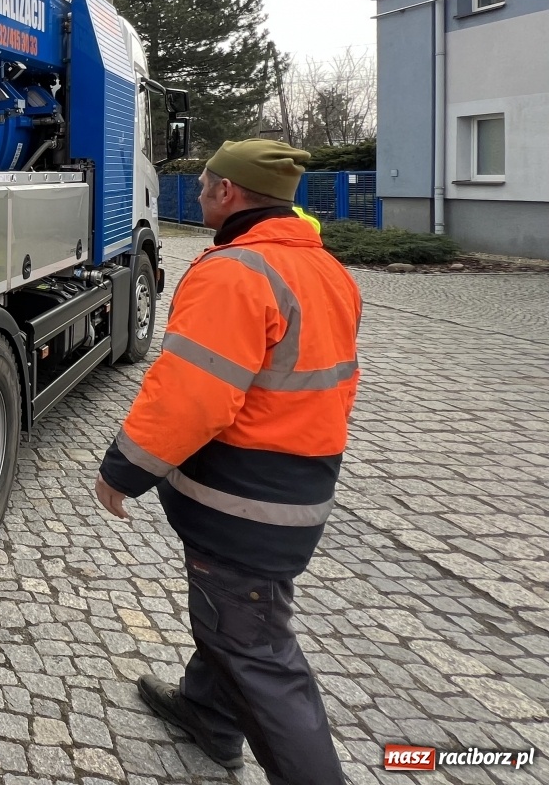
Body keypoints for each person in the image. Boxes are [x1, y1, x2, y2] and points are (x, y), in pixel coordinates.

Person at [94, 139, 361, 784]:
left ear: (228, 194)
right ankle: (209, 716)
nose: (204, 191)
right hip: (295, 484)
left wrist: (122, 471)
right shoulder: (326, 269)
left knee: (255, 649)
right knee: (235, 610)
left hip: (245, 495)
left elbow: (191, 398)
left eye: (208, 183)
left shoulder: (234, 273)